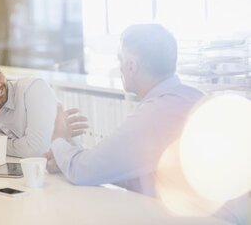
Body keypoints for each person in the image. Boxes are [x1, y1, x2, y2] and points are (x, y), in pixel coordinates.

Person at [45, 24, 248, 225]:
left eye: (120, 60)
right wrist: (68, 160)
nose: (119, 68)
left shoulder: (156, 114)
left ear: (132, 66)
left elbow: (82, 171)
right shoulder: (189, 96)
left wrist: (58, 138)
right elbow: (132, 168)